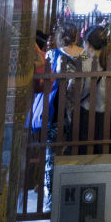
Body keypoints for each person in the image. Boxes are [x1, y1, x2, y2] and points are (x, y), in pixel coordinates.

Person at [40, 22, 83, 211]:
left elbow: (45, 84)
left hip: (56, 112)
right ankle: (73, 194)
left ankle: (50, 197)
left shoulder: (52, 55)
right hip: (81, 112)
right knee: (76, 153)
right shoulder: (86, 55)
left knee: (52, 154)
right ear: (76, 36)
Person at [75, 26, 111, 154]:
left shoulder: (85, 64)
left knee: (85, 152)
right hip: (107, 115)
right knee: (103, 152)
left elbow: (80, 91)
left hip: (87, 114)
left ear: (88, 44)